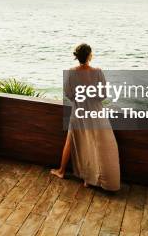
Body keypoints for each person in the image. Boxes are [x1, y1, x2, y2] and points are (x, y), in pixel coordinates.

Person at [51, 43, 121, 191]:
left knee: (72, 141)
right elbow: (103, 95)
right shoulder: (98, 72)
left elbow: (69, 94)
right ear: (90, 55)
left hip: (79, 111)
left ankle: (63, 171)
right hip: (95, 112)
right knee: (94, 145)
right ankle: (89, 179)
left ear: (77, 57)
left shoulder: (71, 72)